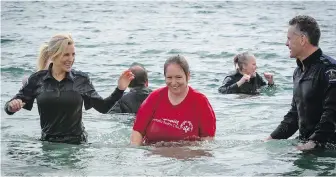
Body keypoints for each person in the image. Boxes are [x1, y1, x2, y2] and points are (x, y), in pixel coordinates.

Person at [4, 33, 134, 144]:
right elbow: (10, 107)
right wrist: (12, 106)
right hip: (48, 144)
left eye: (73, 54)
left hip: (77, 144)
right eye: (66, 55)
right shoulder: (37, 79)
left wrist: (120, 89)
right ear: (53, 55)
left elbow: (103, 108)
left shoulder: (81, 80)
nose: (71, 59)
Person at [265, 15, 336, 151]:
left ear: (303, 39)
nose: (286, 43)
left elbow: (332, 112)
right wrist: (271, 139)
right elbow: (294, 114)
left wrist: (314, 142)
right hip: (306, 144)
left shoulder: (329, 69)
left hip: (328, 148)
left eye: (289, 38)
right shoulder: (298, 72)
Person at [130, 55, 216, 146]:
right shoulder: (153, 98)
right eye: (169, 78)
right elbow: (137, 132)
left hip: (187, 157)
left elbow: (208, 142)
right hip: (154, 157)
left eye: (178, 77)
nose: (174, 83)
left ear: (188, 76)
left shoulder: (201, 102)